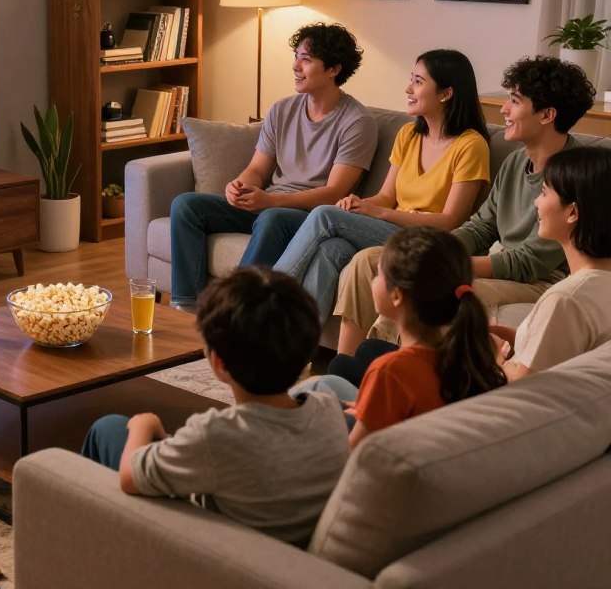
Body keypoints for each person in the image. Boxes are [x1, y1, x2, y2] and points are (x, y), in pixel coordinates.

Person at [335, 55, 596, 356]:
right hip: (501, 262)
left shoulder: (574, 175)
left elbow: (528, 262)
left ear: (547, 114)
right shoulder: (515, 162)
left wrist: (445, 266)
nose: (503, 109)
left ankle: (385, 370)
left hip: (539, 279)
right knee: (367, 260)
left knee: (432, 287)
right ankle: (346, 366)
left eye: (514, 101)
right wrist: (434, 251)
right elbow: (482, 226)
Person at [80, 267, 350, 545]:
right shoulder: (328, 409)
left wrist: (142, 424)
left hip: (206, 553)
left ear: (219, 364)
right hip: (279, 553)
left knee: (108, 427)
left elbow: (129, 476)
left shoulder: (215, 435)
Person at [272, 49, 490, 325]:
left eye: (419, 82)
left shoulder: (471, 146)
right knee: (333, 249)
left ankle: (267, 297)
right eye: (411, 79)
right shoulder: (408, 134)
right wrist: (359, 205)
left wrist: (378, 213)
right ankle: (296, 344)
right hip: (395, 230)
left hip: (430, 241)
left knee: (324, 215)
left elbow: (451, 221)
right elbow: (387, 196)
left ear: (446, 94)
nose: (408, 88)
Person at [169, 22, 378, 311]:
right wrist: (240, 186)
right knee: (187, 206)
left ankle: (232, 309)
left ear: (333, 69)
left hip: (308, 217)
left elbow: (333, 193)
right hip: (270, 203)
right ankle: (188, 306)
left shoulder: (357, 122)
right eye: (296, 56)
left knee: (272, 218)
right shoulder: (282, 109)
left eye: (306, 59)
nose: (295, 65)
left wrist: (271, 200)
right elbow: (257, 169)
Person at [295, 228, 507, 448]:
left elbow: (354, 454)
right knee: (329, 385)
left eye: (378, 274)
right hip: (419, 446)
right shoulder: (468, 355)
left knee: (317, 392)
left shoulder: (389, 371)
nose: (373, 280)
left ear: (397, 295)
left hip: (384, 461)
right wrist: (366, 408)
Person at [499, 146, 611, 381]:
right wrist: (506, 335)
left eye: (544, 192)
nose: (536, 203)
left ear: (572, 212)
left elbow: (523, 387)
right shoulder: (596, 285)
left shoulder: (565, 299)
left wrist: (494, 358)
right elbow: (560, 345)